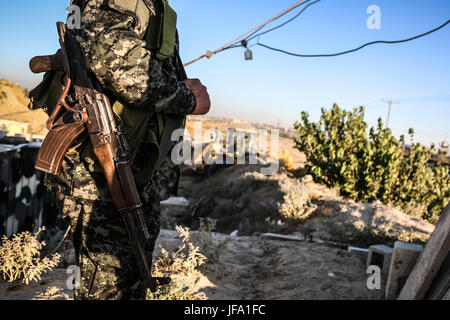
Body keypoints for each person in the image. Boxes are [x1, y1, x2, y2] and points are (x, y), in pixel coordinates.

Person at [28, 0, 210, 300]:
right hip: (101, 174)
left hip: (128, 166)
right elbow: (119, 63)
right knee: (110, 287)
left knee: (128, 280)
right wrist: (187, 98)